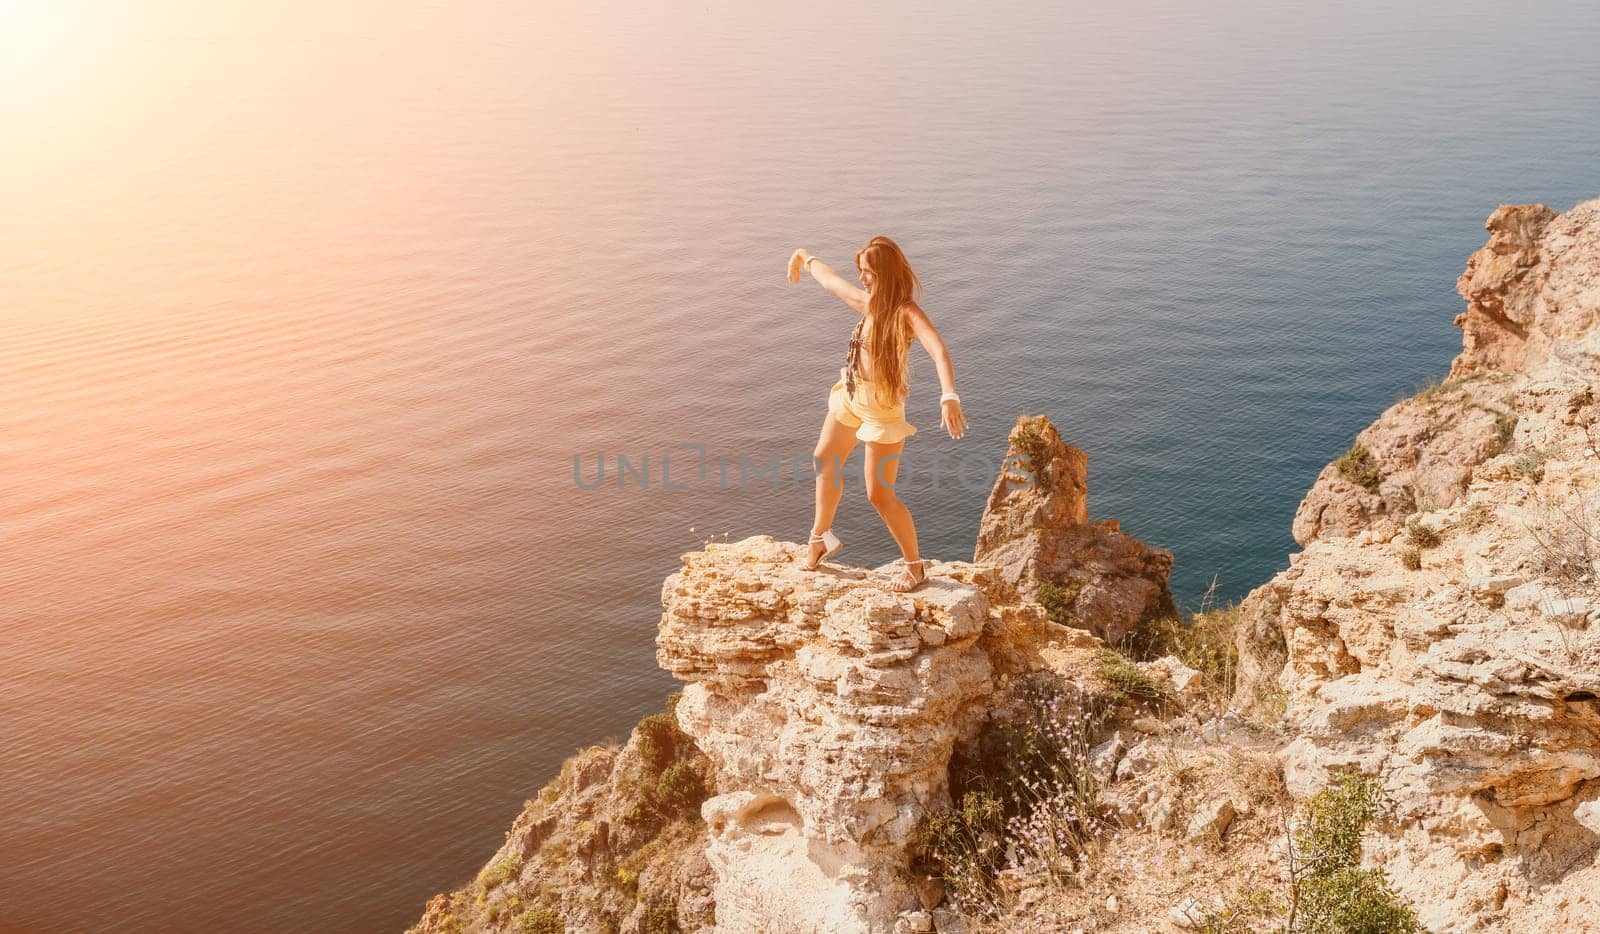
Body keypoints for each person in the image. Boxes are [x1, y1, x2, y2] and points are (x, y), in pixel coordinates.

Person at [786, 236, 968, 592]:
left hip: (882, 411)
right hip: (852, 396)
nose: (863, 279)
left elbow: (939, 350)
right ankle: (819, 539)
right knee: (824, 458)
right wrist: (805, 258)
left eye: (868, 272)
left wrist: (949, 395)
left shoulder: (905, 313)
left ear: (885, 272)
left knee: (878, 495)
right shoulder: (868, 303)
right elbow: (831, 281)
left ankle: (915, 567)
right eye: (861, 272)